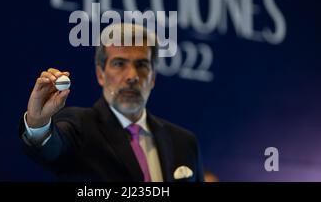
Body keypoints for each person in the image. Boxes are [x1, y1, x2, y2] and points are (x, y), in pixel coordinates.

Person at [19, 23, 204, 182]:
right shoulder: (79, 126)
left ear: (153, 77)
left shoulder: (184, 143)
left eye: (141, 65)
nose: (132, 76)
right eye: (119, 64)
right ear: (100, 74)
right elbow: (50, 149)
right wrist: (38, 123)